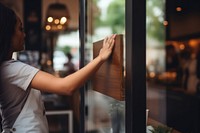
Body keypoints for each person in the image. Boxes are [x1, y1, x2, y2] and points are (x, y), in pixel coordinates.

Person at [0, 3, 116, 133]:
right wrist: (100, 58)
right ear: (7, 34)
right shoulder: (12, 69)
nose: (25, 35)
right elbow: (66, 86)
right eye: (20, 29)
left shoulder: (7, 68)